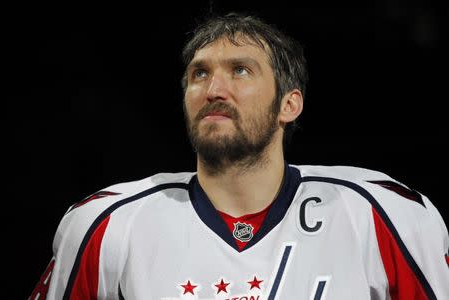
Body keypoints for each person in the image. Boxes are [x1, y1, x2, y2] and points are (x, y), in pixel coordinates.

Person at [30, 12, 448, 300]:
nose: (214, 89)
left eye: (240, 70)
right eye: (200, 73)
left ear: (290, 104)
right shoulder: (106, 224)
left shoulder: (382, 214)